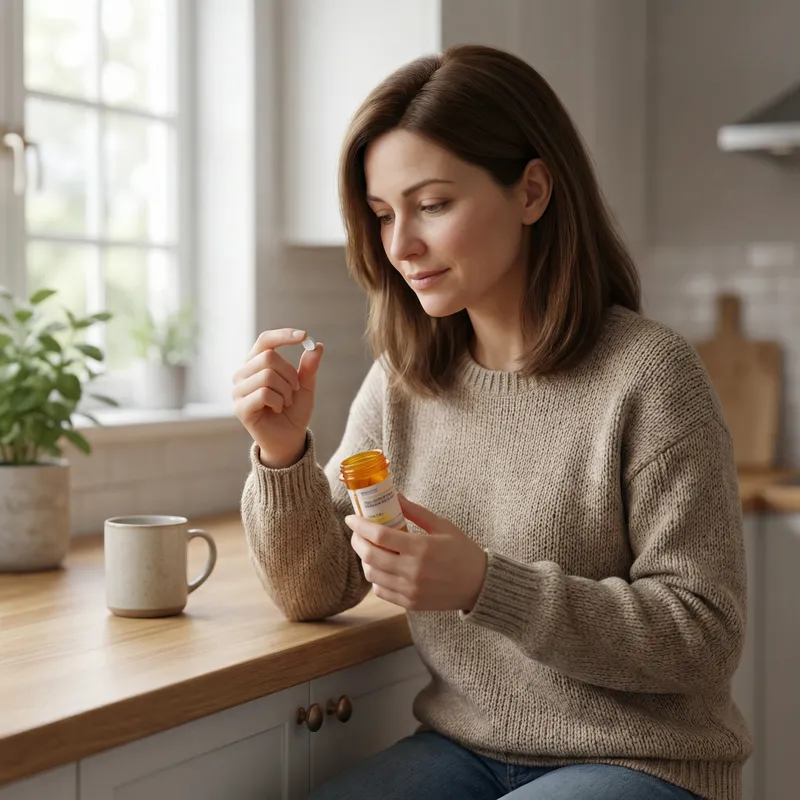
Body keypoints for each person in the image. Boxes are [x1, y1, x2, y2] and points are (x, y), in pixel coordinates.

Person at [233, 44, 749, 800]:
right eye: (383, 215)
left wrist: (486, 584)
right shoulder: (403, 381)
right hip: (462, 750)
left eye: (433, 205)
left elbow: (703, 636)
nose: (402, 245)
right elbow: (319, 587)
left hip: (644, 761)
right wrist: (280, 454)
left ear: (533, 191)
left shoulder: (649, 376)